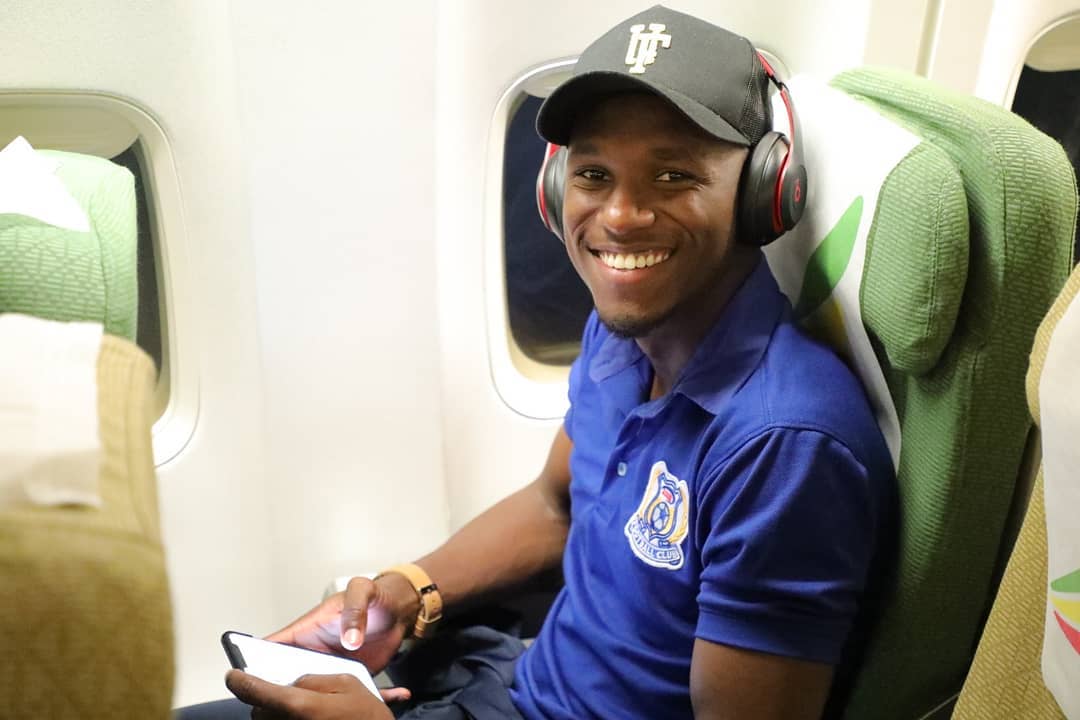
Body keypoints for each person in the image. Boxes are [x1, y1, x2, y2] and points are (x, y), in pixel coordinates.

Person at [203, 5, 895, 719]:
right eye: (594, 173)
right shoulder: (625, 336)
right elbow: (556, 504)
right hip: (510, 680)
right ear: (557, 188)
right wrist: (409, 592)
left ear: (762, 194)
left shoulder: (782, 449)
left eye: (671, 175)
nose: (619, 216)